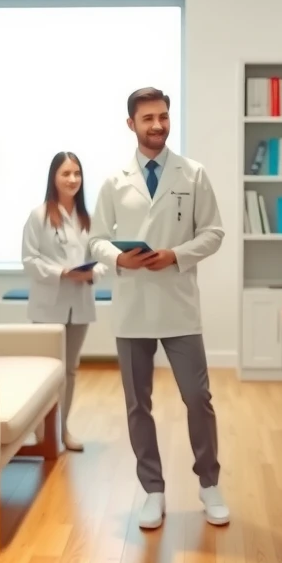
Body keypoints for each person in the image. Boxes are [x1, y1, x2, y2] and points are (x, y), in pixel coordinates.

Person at [89, 87, 228, 530]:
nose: (158, 125)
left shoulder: (193, 174)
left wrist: (176, 255)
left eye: (163, 117)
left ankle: (209, 483)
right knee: (137, 405)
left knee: (198, 398)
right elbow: (94, 239)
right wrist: (117, 258)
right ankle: (153, 489)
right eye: (148, 118)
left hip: (178, 302)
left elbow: (214, 232)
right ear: (131, 124)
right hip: (132, 305)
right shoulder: (114, 181)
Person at [21, 151, 104, 452]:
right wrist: (62, 273)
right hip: (49, 304)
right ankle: (43, 433)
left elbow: (102, 259)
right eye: (66, 174)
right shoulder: (39, 215)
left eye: (77, 174)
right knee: (46, 371)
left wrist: (92, 274)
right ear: (53, 178)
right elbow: (29, 260)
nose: (72, 179)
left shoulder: (88, 219)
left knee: (70, 370)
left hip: (80, 303)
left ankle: (64, 429)